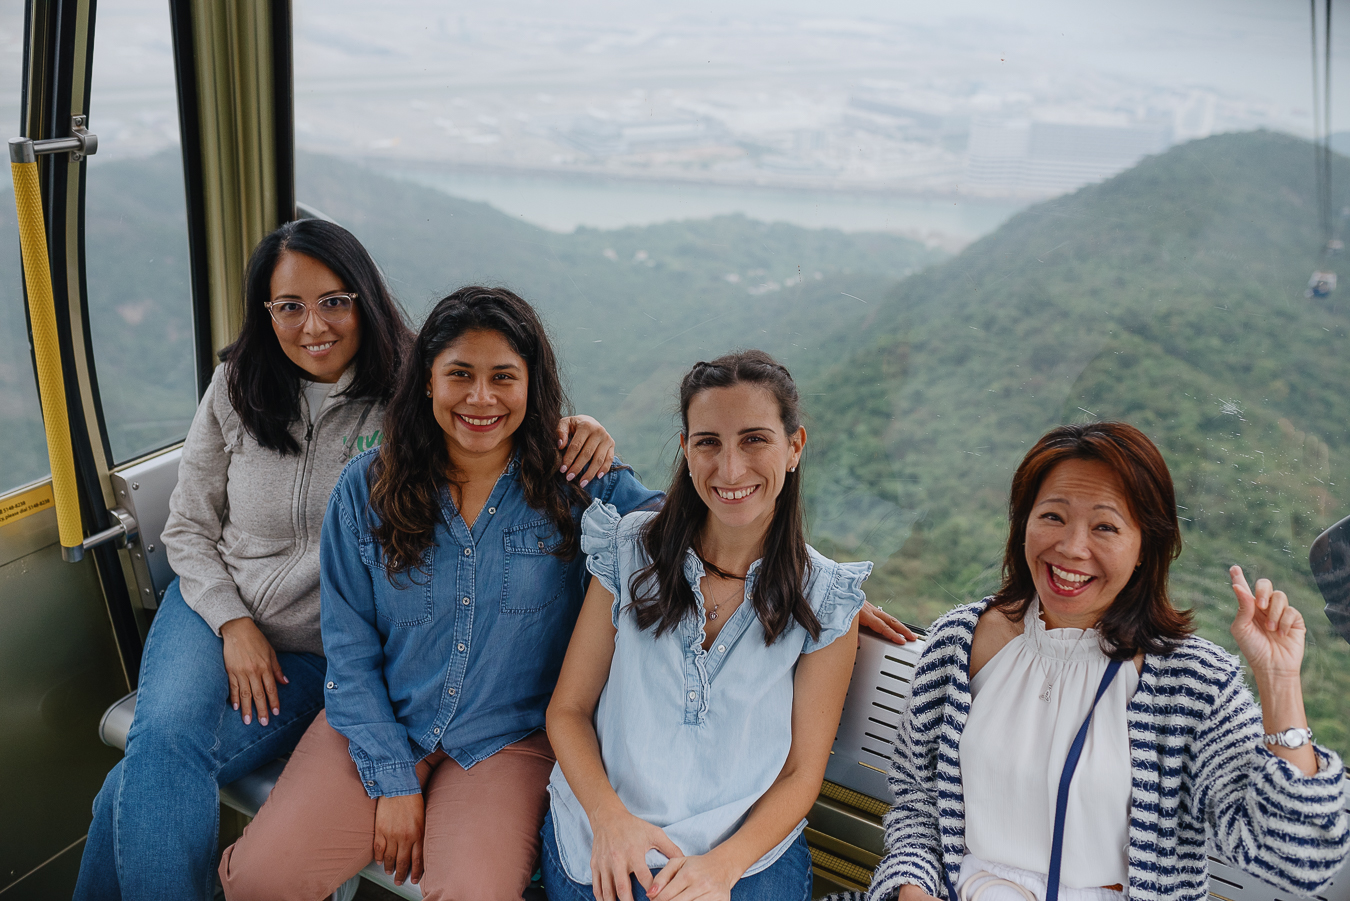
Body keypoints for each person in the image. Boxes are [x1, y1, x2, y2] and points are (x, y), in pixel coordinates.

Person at [74, 225, 614, 901]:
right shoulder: (238, 386)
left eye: (333, 301)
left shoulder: (412, 397)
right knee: (161, 746)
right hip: (213, 612)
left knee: (133, 783)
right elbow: (187, 528)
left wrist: (579, 429)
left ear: (365, 298)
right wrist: (233, 623)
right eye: (289, 306)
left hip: (319, 647)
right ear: (265, 312)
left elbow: (496, 407)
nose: (313, 325)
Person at [217, 286, 663, 901]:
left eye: (503, 377)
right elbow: (350, 649)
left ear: (532, 385)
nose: (481, 398)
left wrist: (814, 585)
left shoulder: (577, 484)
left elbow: (682, 529)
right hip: (381, 721)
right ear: (427, 380)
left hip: (507, 741)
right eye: (459, 374)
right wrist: (393, 779)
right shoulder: (367, 488)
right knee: (261, 881)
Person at [844, 422, 1349, 901]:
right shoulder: (959, 642)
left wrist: (1279, 679)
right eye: (1052, 516)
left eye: (1105, 526)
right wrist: (911, 885)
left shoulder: (1191, 683)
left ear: (1145, 548)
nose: (1071, 548)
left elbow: (1298, 858)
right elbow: (917, 802)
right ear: (1023, 524)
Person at [543, 350, 873, 901]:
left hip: (747, 855)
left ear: (794, 447)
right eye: (708, 442)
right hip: (601, 830)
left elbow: (800, 774)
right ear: (685, 449)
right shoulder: (628, 552)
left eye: (754, 439)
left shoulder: (826, 602)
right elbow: (568, 710)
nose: (731, 469)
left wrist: (722, 867)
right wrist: (609, 820)